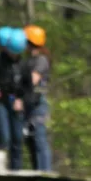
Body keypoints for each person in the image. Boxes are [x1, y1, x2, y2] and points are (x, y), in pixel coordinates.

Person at [0, 26, 28, 170]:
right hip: (1, 104)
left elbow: (28, 87)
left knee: (17, 140)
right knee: (4, 138)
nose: (13, 55)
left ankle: (16, 170)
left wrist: (21, 99)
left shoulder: (23, 65)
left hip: (16, 106)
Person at [22, 24, 52, 171]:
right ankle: (36, 171)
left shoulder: (41, 60)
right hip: (28, 105)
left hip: (37, 106)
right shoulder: (27, 60)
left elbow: (32, 81)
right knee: (31, 142)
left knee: (39, 141)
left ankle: (45, 173)